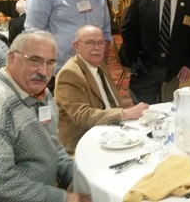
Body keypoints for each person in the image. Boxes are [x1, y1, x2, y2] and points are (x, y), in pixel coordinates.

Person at [0, 31, 91, 202]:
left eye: (50, 63)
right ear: (12, 58)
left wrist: (75, 176)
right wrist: (64, 198)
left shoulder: (42, 94)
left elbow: (52, 145)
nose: (43, 71)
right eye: (34, 60)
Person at [25, 0, 112, 93]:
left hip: (92, 73)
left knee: (90, 115)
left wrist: (101, 68)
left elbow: (106, 34)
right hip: (55, 74)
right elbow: (34, 35)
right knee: (57, 116)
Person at [55, 25, 148, 153]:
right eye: (90, 43)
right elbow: (83, 116)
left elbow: (113, 102)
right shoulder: (70, 74)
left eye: (100, 43)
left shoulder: (100, 65)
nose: (97, 48)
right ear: (76, 46)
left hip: (110, 131)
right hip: (84, 142)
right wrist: (125, 114)